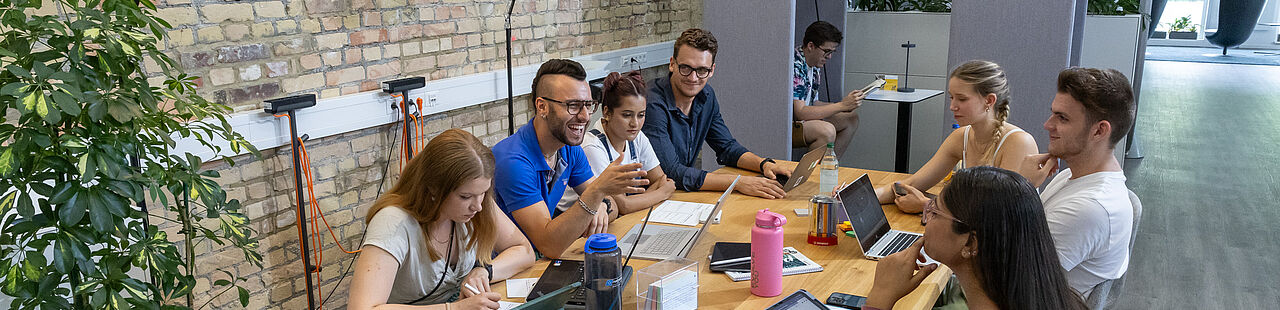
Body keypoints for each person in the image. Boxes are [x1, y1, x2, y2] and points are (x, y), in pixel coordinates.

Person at [348, 129, 536, 310]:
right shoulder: (392, 222)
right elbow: (361, 308)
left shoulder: (477, 199)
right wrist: (452, 308)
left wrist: (484, 271)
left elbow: (524, 251)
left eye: (483, 193)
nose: (477, 206)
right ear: (434, 188)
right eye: (465, 197)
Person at [865, 166, 1087, 310]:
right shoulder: (1055, 298)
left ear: (971, 243)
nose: (926, 219)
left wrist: (881, 296)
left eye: (934, 211)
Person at [492, 59, 649, 259]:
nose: (584, 116)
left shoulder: (568, 148)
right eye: (573, 106)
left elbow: (612, 206)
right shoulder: (513, 161)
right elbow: (549, 245)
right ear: (542, 107)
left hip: (536, 261)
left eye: (588, 105)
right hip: (500, 271)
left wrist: (601, 204)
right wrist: (597, 193)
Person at [1016, 67, 1135, 296]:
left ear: (1099, 131)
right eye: (1053, 113)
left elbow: (1009, 276)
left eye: (1062, 118)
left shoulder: (1088, 209)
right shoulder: (1071, 175)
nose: (1048, 125)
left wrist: (1019, 187)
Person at [643, 28, 792, 199]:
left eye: (701, 70)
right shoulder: (652, 103)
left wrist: (763, 164)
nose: (693, 78)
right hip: (647, 200)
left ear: (712, 70)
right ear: (672, 64)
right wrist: (738, 183)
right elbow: (672, 172)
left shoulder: (706, 96)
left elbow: (727, 147)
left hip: (679, 196)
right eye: (685, 68)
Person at [873, 60, 1038, 214]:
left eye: (962, 99)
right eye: (951, 97)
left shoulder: (1019, 143)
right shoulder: (961, 136)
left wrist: (927, 206)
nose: (952, 106)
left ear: (989, 100)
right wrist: (866, 198)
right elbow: (914, 183)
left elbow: (997, 215)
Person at [575, 71, 676, 214]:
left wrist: (636, 201)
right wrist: (661, 194)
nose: (635, 123)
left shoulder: (637, 137)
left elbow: (662, 180)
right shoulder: (592, 147)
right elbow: (621, 206)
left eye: (641, 115)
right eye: (627, 115)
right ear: (607, 113)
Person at [792, 21, 864, 155]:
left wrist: (845, 106)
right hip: (791, 125)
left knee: (851, 119)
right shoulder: (796, 65)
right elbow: (800, 112)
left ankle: (829, 167)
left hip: (803, 120)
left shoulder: (814, 63)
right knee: (827, 130)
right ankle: (808, 175)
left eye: (832, 52)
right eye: (826, 51)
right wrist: (841, 105)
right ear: (811, 46)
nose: (829, 57)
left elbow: (814, 103)